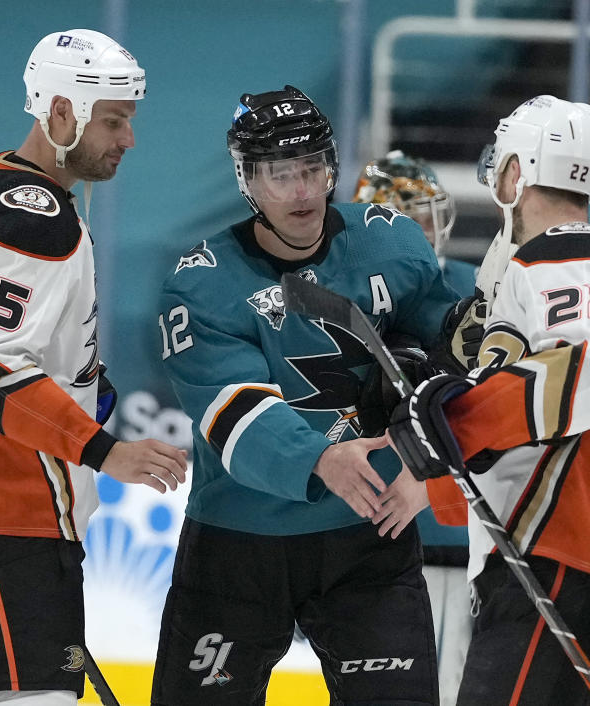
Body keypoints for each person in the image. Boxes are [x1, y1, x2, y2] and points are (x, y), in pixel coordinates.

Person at [0, 30, 187, 705]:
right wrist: (105, 451)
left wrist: (85, 392)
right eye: (113, 120)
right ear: (59, 112)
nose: (127, 138)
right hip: (5, 500)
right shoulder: (37, 218)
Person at [151, 85, 467, 705]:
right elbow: (234, 408)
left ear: (332, 171)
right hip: (238, 547)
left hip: (368, 541)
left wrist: (424, 464)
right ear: (247, 180)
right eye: (279, 174)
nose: (300, 191)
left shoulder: (391, 244)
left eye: (313, 170)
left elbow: (451, 359)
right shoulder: (203, 284)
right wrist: (322, 458)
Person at [375, 95, 590, 705]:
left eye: (502, 164)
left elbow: (581, 371)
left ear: (517, 172)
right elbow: (551, 413)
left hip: (568, 541)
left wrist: (457, 418)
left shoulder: (566, 254)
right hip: (572, 543)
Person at [352, 150, 475, 706]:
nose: (430, 231)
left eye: (432, 217)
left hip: (457, 537)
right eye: (415, 218)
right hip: (370, 539)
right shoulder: (344, 304)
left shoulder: (473, 292)